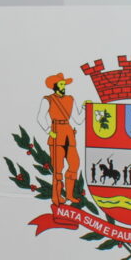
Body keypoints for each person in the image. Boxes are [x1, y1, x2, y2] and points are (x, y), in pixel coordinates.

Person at [38, 73, 80, 206]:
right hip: (56, 132)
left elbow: (78, 120)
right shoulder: (48, 99)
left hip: (68, 132)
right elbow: (40, 117)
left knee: (74, 164)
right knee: (58, 168)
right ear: (55, 86)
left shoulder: (70, 99)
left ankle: (69, 195)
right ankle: (56, 197)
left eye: (64, 84)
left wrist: (85, 108)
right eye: (62, 84)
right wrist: (49, 131)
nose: (64, 86)